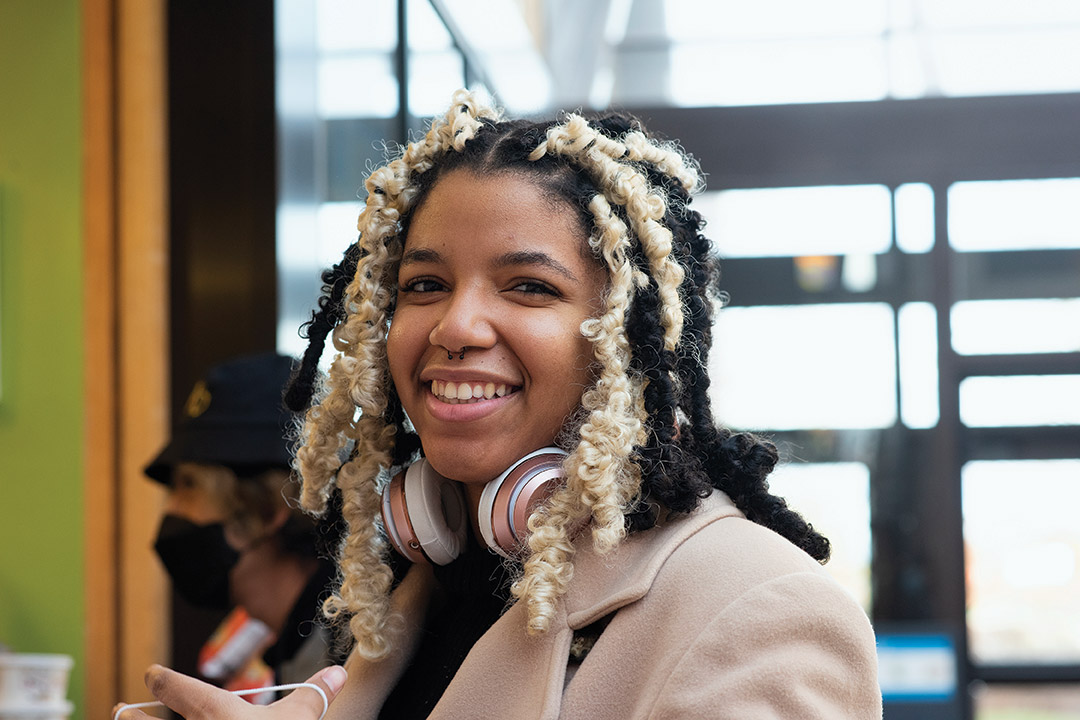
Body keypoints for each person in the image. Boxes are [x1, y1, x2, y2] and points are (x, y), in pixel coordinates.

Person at [117, 90, 882, 719]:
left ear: (627, 338)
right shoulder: (422, 591)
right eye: (425, 285)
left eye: (529, 287)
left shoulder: (758, 606)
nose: (454, 326)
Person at [144, 352, 344, 695]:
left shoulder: (351, 652)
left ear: (268, 509)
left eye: (189, 485)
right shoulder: (295, 641)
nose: (171, 509)